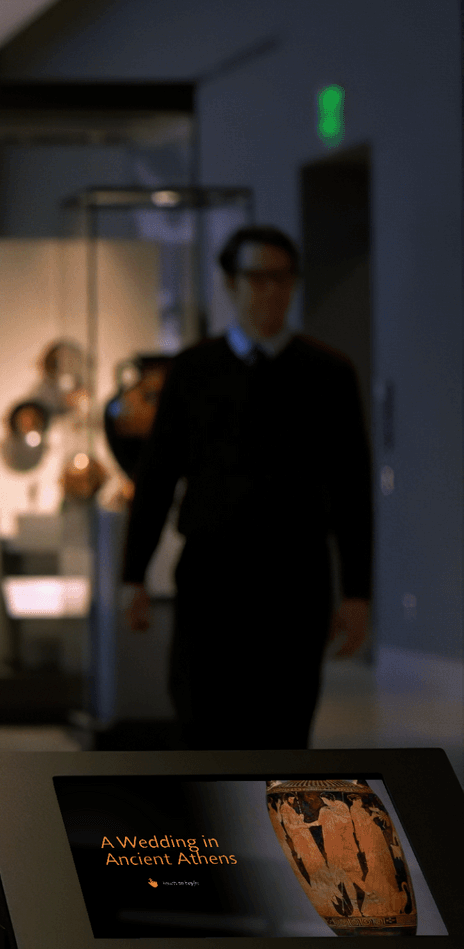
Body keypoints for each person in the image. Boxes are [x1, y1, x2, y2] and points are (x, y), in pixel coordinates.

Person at [122, 225, 372, 750]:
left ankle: (270, 832)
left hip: (294, 572)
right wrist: (134, 573)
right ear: (231, 285)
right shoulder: (194, 370)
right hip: (213, 570)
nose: (270, 291)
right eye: (257, 279)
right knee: (201, 714)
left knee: (284, 720)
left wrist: (356, 590)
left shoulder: (327, 374)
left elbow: (351, 487)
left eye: (281, 279)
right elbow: (158, 475)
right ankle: (210, 832)